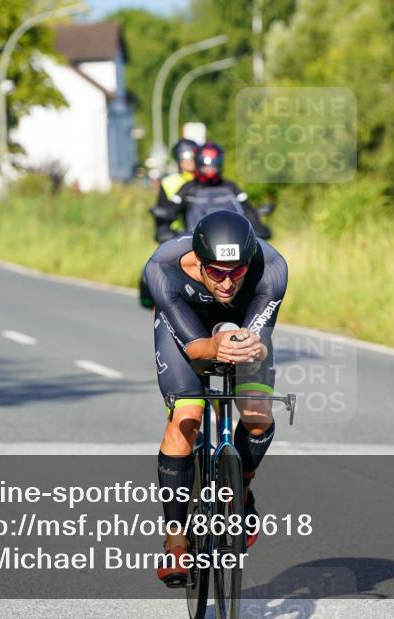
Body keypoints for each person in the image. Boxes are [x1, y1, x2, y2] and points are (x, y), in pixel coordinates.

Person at [143, 210, 287, 587]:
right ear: (199, 261)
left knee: (258, 414)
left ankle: (242, 492)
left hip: (241, 325)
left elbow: (257, 338)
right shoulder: (164, 266)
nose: (227, 282)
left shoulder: (271, 269)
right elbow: (195, 349)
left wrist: (243, 345)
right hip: (188, 330)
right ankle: (176, 540)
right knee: (186, 418)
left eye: (237, 271)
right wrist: (215, 346)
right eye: (217, 272)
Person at [150, 141, 271, 243]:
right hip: (195, 244)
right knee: (156, 266)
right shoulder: (188, 188)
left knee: (268, 264)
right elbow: (171, 209)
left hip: (234, 242)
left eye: (213, 164)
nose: (209, 168)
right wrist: (165, 227)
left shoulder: (230, 187)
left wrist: (256, 224)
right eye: (205, 164)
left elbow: (247, 210)